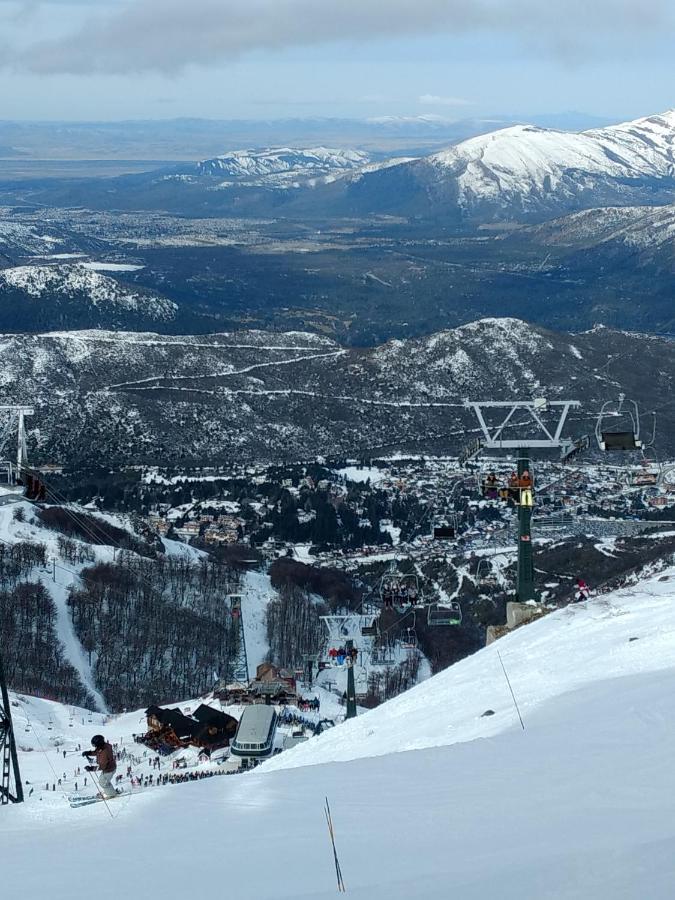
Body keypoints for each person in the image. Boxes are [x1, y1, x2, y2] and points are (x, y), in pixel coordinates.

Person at [82, 734, 117, 799]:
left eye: (95, 745)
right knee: (103, 781)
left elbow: (102, 766)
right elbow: (97, 752)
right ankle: (110, 791)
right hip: (110, 767)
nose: (95, 747)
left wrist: (91, 768)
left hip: (109, 769)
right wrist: (88, 753)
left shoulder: (104, 753)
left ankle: (111, 794)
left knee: (103, 783)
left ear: (99, 744)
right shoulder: (104, 746)